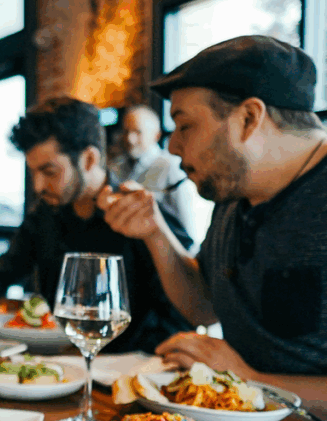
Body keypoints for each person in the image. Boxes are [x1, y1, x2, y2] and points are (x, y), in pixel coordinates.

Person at [98, 35, 327, 400]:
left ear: (249, 118)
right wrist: (155, 233)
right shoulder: (235, 189)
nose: (172, 146)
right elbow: (204, 304)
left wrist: (246, 378)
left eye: (184, 126)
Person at [0, 96, 195, 354]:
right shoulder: (44, 215)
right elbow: (1, 275)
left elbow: (183, 315)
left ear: (89, 159)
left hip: (126, 372)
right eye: (33, 172)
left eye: (49, 172)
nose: (37, 186)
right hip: (58, 365)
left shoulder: (140, 214)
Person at [110, 105, 196, 228]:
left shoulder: (171, 166)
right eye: (126, 131)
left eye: (137, 132)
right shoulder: (116, 166)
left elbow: (186, 222)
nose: (130, 139)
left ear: (156, 135)